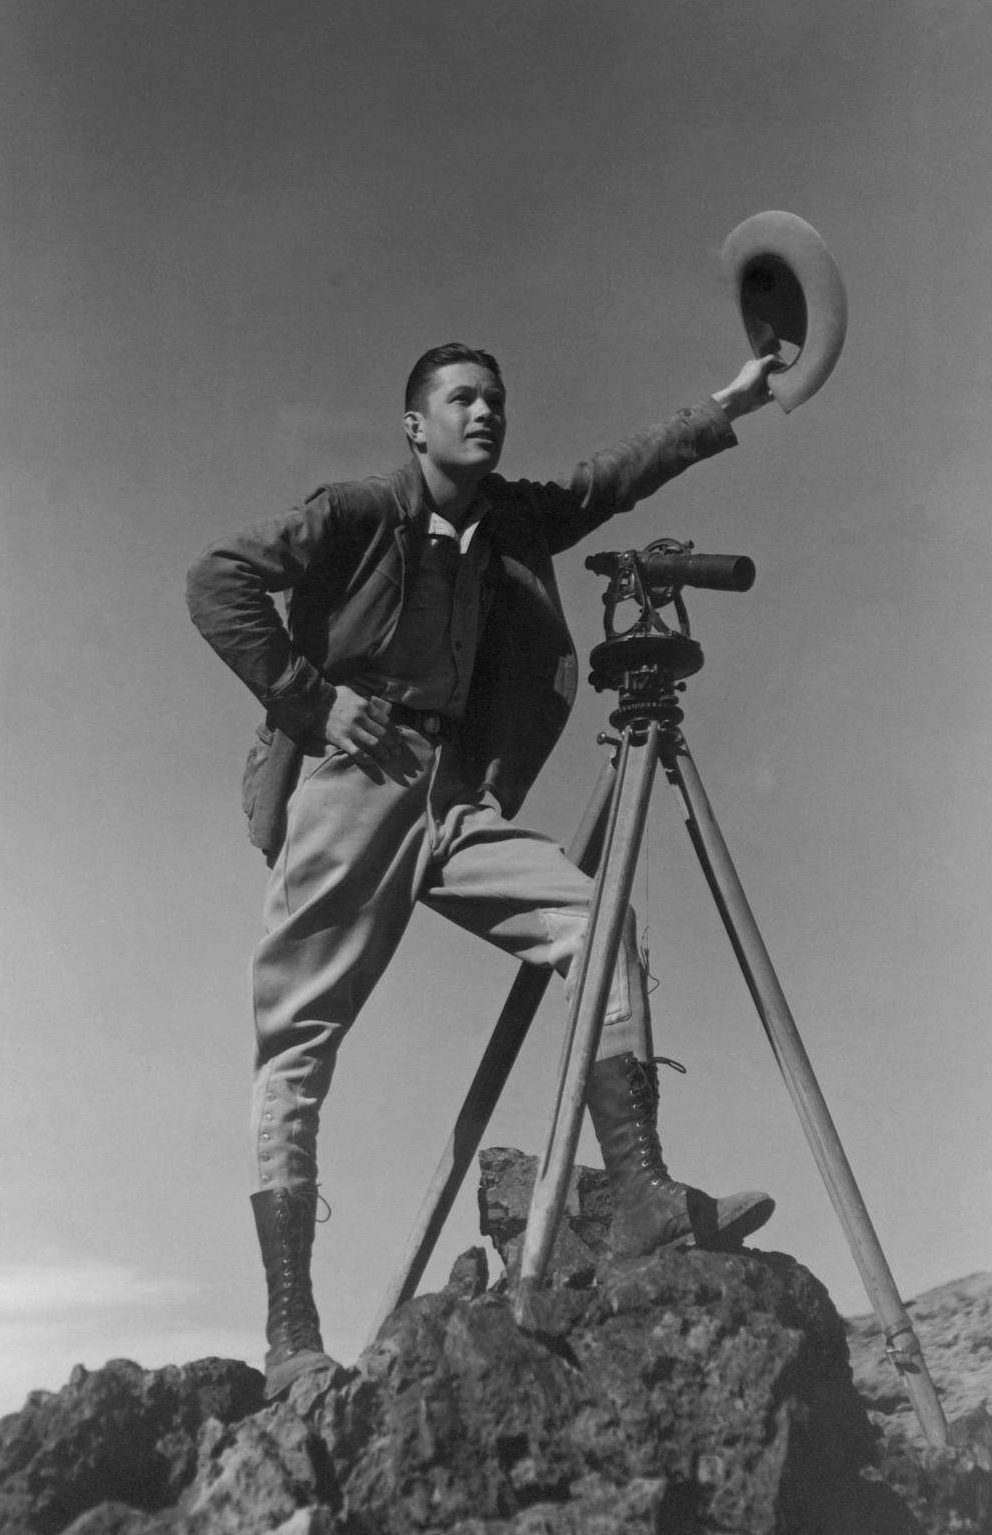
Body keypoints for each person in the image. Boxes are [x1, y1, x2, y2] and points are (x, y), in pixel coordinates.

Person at [187, 342, 782, 1397]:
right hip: (350, 784)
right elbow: (218, 579)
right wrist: (313, 700)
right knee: (297, 1045)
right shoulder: (359, 509)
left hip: (452, 796)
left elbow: (610, 477)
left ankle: (642, 1197)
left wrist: (728, 402)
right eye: (462, 399)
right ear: (415, 423)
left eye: (496, 400)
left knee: (600, 927)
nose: (485, 414)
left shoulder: (509, 520)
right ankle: (290, 1333)